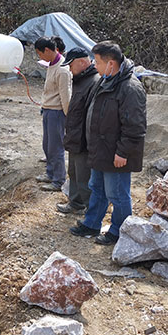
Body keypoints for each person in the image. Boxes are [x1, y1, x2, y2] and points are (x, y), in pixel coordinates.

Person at [72, 41, 146, 244]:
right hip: (100, 149)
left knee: (117, 194)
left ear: (111, 63)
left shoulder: (130, 88)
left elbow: (135, 127)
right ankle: (92, 223)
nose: (94, 66)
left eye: (97, 61)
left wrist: (123, 152)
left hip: (116, 153)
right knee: (97, 187)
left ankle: (119, 231)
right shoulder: (104, 81)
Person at [57, 48, 100, 215]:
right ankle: (75, 203)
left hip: (84, 139)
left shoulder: (94, 82)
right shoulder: (80, 80)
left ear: (82, 62)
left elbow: (92, 115)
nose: (69, 69)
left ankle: (91, 213)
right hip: (75, 136)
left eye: (71, 65)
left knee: (85, 178)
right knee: (73, 172)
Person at [34, 37, 72, 191]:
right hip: (49, 110)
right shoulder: (52, 64)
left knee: (56, 148)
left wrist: (68, 117)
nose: (39, 57)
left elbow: (66, 96)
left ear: (48, 51)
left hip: (57, 113)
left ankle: (58, 180)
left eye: (39, 54)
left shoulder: (62, 70)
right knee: (47, 145)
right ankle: (50, 173)